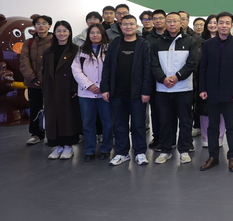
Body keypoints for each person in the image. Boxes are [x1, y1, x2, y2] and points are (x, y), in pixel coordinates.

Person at [101, 14, 152, 166]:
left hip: (137, 93)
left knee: (138, 125)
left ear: (137, 26)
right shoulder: (115, 44)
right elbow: (107, 67)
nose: (128, 26)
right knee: (119, 125)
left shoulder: (144, 44)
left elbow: (148, 69)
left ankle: (140, 152)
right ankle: (122, 153)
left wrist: (146, 91)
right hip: (117, 93)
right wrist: (105, 88)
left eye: (131, 24)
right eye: (125, 24)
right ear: (120, 26)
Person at [198, 12, 233, 172]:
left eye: (227, 23)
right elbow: (203, 68)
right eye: (221, 22)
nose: (224, 25)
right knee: (212, 126)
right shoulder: (208, 44)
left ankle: (232, 158)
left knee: (231, 127)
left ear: (231, 25)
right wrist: (202, 88)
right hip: (211, 92)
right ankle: (213, 157)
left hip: (231, 92)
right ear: (216, 24)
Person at [150, 12, 197, 165]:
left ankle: (184, 150)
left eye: (175, 21)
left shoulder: (190, 41)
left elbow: (192, 63)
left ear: (181, 23)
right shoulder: (157, 42)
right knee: (164, 121)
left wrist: (177, 77)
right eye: (169, 21)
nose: (171, 24)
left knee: (185, 121)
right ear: (165, 23)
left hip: (183, 88)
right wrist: (163, 79)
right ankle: (165, 150)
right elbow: (153, 64)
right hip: (163, 89)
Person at [71, 24, 112, 161]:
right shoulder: (81, 50)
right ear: (88, 35)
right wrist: (89, 85)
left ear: (103, 34)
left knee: (108, 122)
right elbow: (76, 70)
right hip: (86, 93)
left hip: (105, 93)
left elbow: (113, 69)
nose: (95, 35)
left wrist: (103, 86)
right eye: (92, 33)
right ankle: (89, 150)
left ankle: (106, 149)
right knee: (88, 123)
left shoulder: (110, 49)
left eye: (98, 32)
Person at [42, 21, 81, 160]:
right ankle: (57, 145)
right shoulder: (48, 51)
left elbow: (79, 71)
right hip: (51, 90)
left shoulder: (76, 50)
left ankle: (68, 146)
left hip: (68, 89)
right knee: (53, 118)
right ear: (54, 33)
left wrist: (75, 88)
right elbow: (44, 72)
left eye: (65, 31)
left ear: (69, 32)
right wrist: (45, 90)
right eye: (58, 31)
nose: (62, 33)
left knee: (68, 118)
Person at [19, 14, 53, 145]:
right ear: (34, 26)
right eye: (38, 24)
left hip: (51, 83)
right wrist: (32, 78)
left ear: (49, 26)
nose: (41, 26)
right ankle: (36, 134)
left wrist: (47, 78)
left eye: (44, 23)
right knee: (35, 108)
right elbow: (24, 62)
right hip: (33, 83)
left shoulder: (55, 41)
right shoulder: (28, 43)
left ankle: (53, 134)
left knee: (53, 108)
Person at [199, 14, 225, 146]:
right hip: (206, 80)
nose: (213, 25)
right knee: (205, 110)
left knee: (221, 110)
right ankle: (205, 137)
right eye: (210, 22)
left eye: (215, 22)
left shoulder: (227, 40)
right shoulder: (200, 40)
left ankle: (220, 137)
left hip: (223, 81)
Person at [146, 9, 167, 149]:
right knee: (155, 111)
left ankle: (169, 138)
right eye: (155, 18)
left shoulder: (171, 36)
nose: (158, 21)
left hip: (171, 80)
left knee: (169, 112)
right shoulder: (148, 38)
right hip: (154, 79)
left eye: (161, 18)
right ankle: (157, 136)